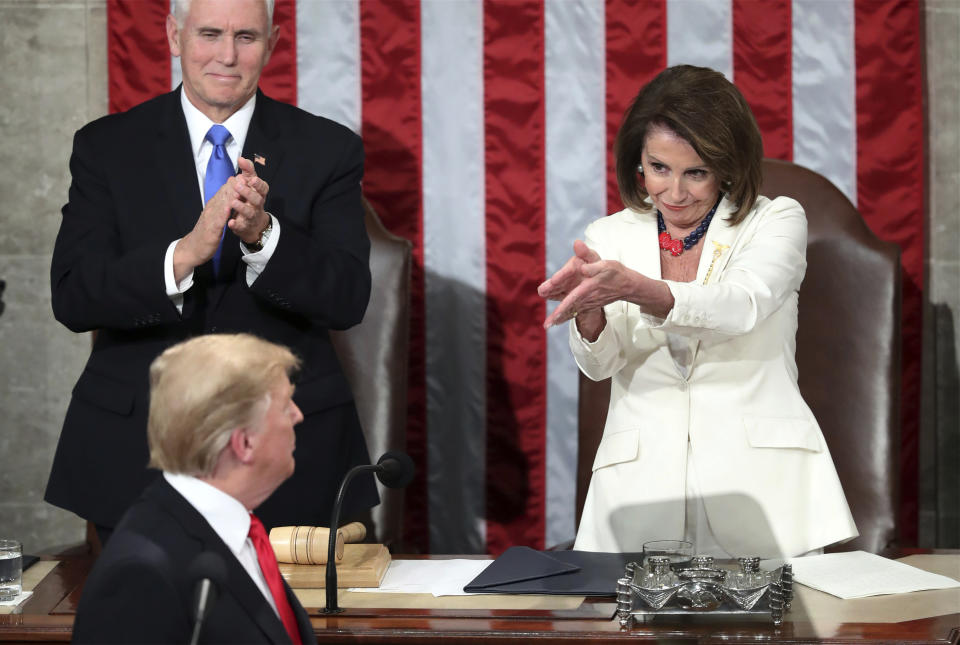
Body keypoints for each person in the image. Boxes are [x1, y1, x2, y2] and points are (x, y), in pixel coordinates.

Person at [46, 0, 377, 541]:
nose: (227, 55)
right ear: (174, 35)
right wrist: (184, 254)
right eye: (209, 34)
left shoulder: (328, 148)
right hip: (136, 452)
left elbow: (348, 298)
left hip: (290, 456)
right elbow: (74, 296)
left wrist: (265, 236)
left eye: (246, 37)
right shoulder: (106, 147)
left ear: (272, 42)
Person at [538, 65, 857, 558]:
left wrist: (642, 290)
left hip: (764, 492)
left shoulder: (775, 220)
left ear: (727, 167)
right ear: (637, 163)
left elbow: (741, 305)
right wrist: (590, 315)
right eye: (659, 168)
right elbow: (600, 366)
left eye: (696, 173)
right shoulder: (609, 236)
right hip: (639, 495)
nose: (675, 192)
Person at [73, 334, 317, 644]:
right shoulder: (140, 574)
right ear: (244, 443)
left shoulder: (239, 531)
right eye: (285, 406)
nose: (298, 415)